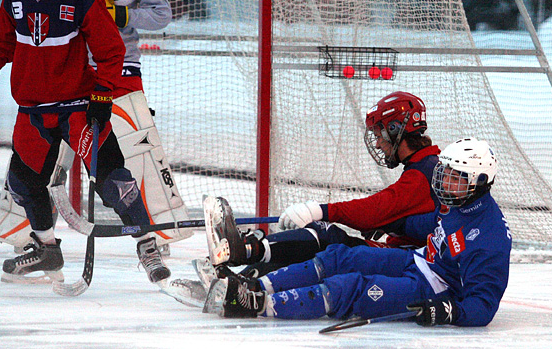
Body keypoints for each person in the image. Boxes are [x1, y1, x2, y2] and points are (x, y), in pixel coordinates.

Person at [0, 0, 192, 263]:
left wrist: (121, 19)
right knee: (24, 173)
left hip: (106, 81)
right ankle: (35, 240)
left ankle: (152, 236)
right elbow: (4, 40)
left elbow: (153, 21)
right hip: (44, 95)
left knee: (123, 165)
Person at [204, 138, 512, 327]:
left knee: (348, 287)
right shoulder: (459, 200)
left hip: (435, 288)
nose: (443, 183)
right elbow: (432, 225)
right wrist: (396, 224)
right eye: (444, 174)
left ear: (480, 181)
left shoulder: (489, 239)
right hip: (418, 261)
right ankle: (258, 284)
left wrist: (448, 312)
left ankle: (258, 305)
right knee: (339, 256)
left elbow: (483, 306)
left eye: (454, 178)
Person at [203, 91, 441, 279]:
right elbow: (400, 213)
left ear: (395, 130)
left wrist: (322, 210)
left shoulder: (423, 172)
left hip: (413, 259)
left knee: (326, 237)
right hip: (412, 254)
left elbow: (378, 207)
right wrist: (394, 224)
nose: (378, 145)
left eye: (379, 135)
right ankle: (245, 274)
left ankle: (242, 253)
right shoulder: (425, 166)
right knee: (319, 243)